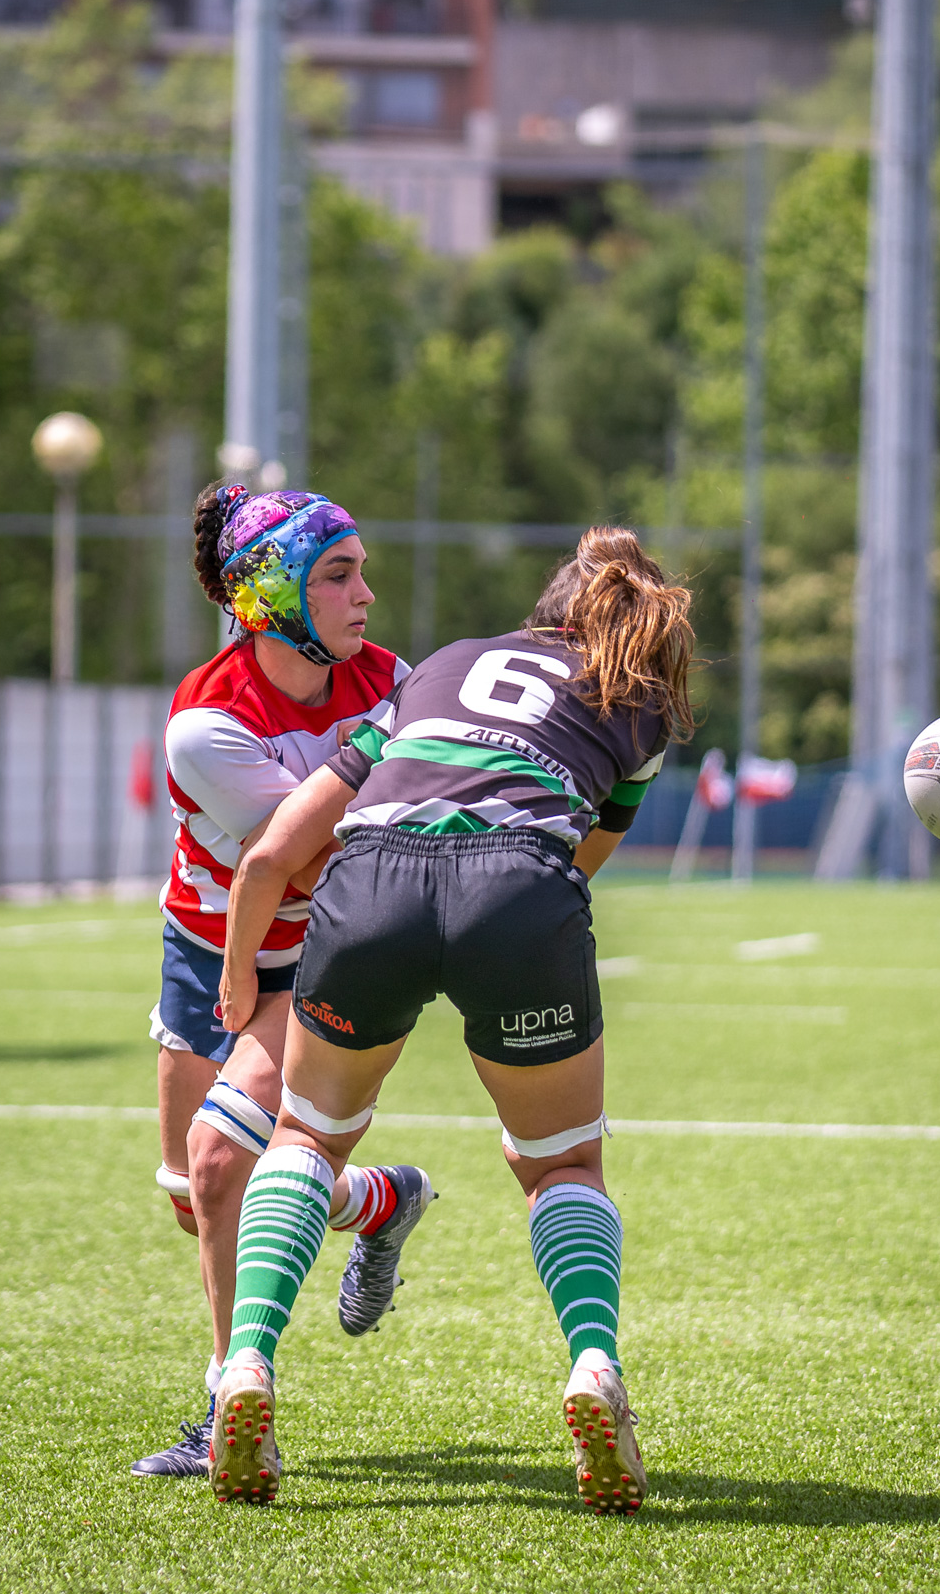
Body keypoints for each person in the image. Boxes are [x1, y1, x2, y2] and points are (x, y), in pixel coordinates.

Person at [205, 525, 694, 1513]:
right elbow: (572, 868)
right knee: (559, 1164)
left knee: (305, 1135)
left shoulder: (442, 666)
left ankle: (246, 1366)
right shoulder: (634, 705)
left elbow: (270, 857)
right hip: (516, 886)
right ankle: (592, 1367)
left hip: (369, 876)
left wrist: (238, 980)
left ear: (549, 603)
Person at [131, 483, 437, 1481]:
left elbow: (337, 879)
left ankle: (228, 1402)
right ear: (270, 596)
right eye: (339, 575)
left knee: (222, 1166)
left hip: (316, 953)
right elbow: (304, 856)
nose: (367, 597)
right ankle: (372, 1203)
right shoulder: (206, 723)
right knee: (191, 1196)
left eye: (361, 572)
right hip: (211, 950)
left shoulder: (390, 679)